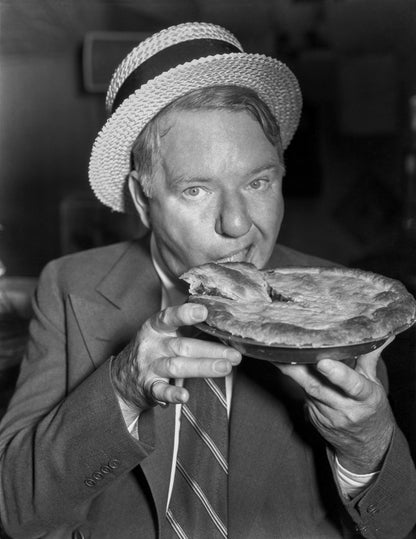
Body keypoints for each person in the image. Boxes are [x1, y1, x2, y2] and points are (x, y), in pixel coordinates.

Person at [0, 22, 415, 539]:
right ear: (143, 199)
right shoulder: (68, 286)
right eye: (197, 189)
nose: (238, 224)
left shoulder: (340, 301)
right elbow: (16, 510)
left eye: (258, 181)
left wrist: (368, 446)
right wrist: (123, 388)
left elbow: (396, 524)